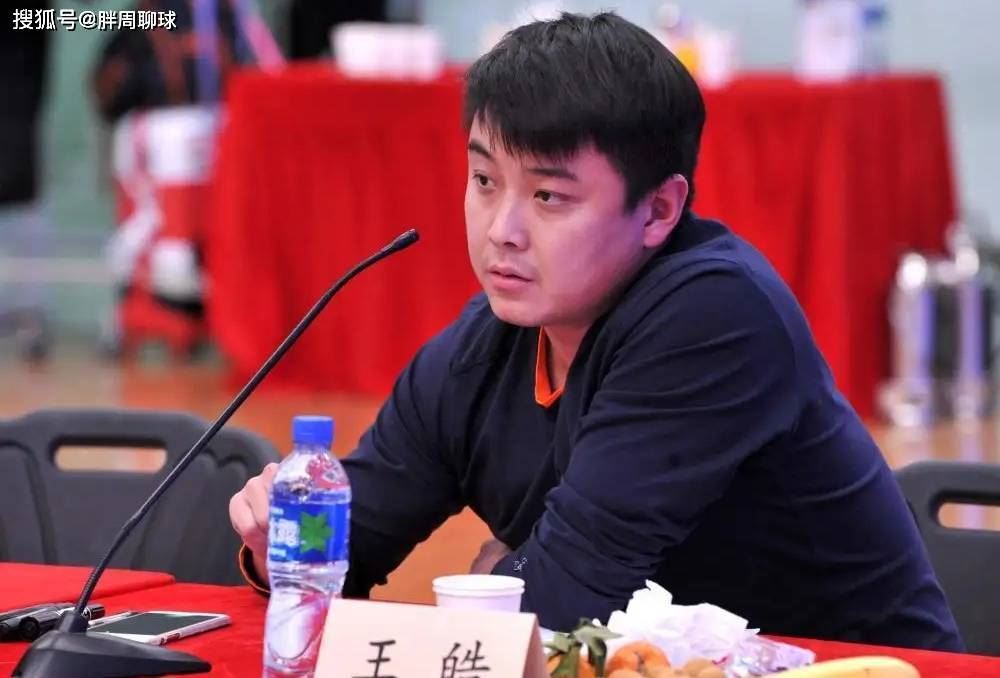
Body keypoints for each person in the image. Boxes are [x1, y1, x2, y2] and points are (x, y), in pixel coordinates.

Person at [229, 11, 963, 650]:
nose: (502, 230)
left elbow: (562, 601)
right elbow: (346, 549)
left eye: (549, 195)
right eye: (485, 181)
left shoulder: (716, 316)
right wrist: (277, 547)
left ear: (658, 211)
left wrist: (506, 573)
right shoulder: (480, 350)